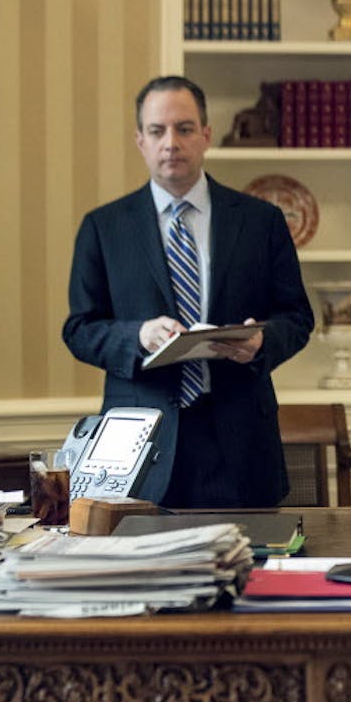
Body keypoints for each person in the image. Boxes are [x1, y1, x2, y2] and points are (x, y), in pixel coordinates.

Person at [62, 75, 314, 508]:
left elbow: (297, 317)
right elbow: (80, 329)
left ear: (206, 135)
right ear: (140, 141)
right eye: (157, 131)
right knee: (142, 575)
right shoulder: (104, 227)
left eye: (184, 128)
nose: (171, 143)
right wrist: (137, 336)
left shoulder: (260, 221)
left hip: (239, 441)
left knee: (247, 571)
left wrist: (260, 342)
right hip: (141, 444)